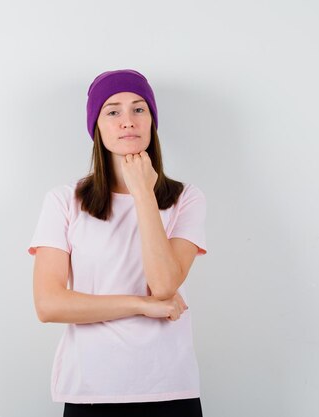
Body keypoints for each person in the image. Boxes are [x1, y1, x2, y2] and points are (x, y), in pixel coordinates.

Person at [27, 69, 208, 417]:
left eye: (139, 109)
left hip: (170, 389)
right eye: (113, 111)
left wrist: (142, 191)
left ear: (152, 120)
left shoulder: (186, 199)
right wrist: (141, 306)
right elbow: (49, 305)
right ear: (97, 125)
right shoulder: (65, 201)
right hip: (92, 392)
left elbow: (164, 285)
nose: (128, 121)